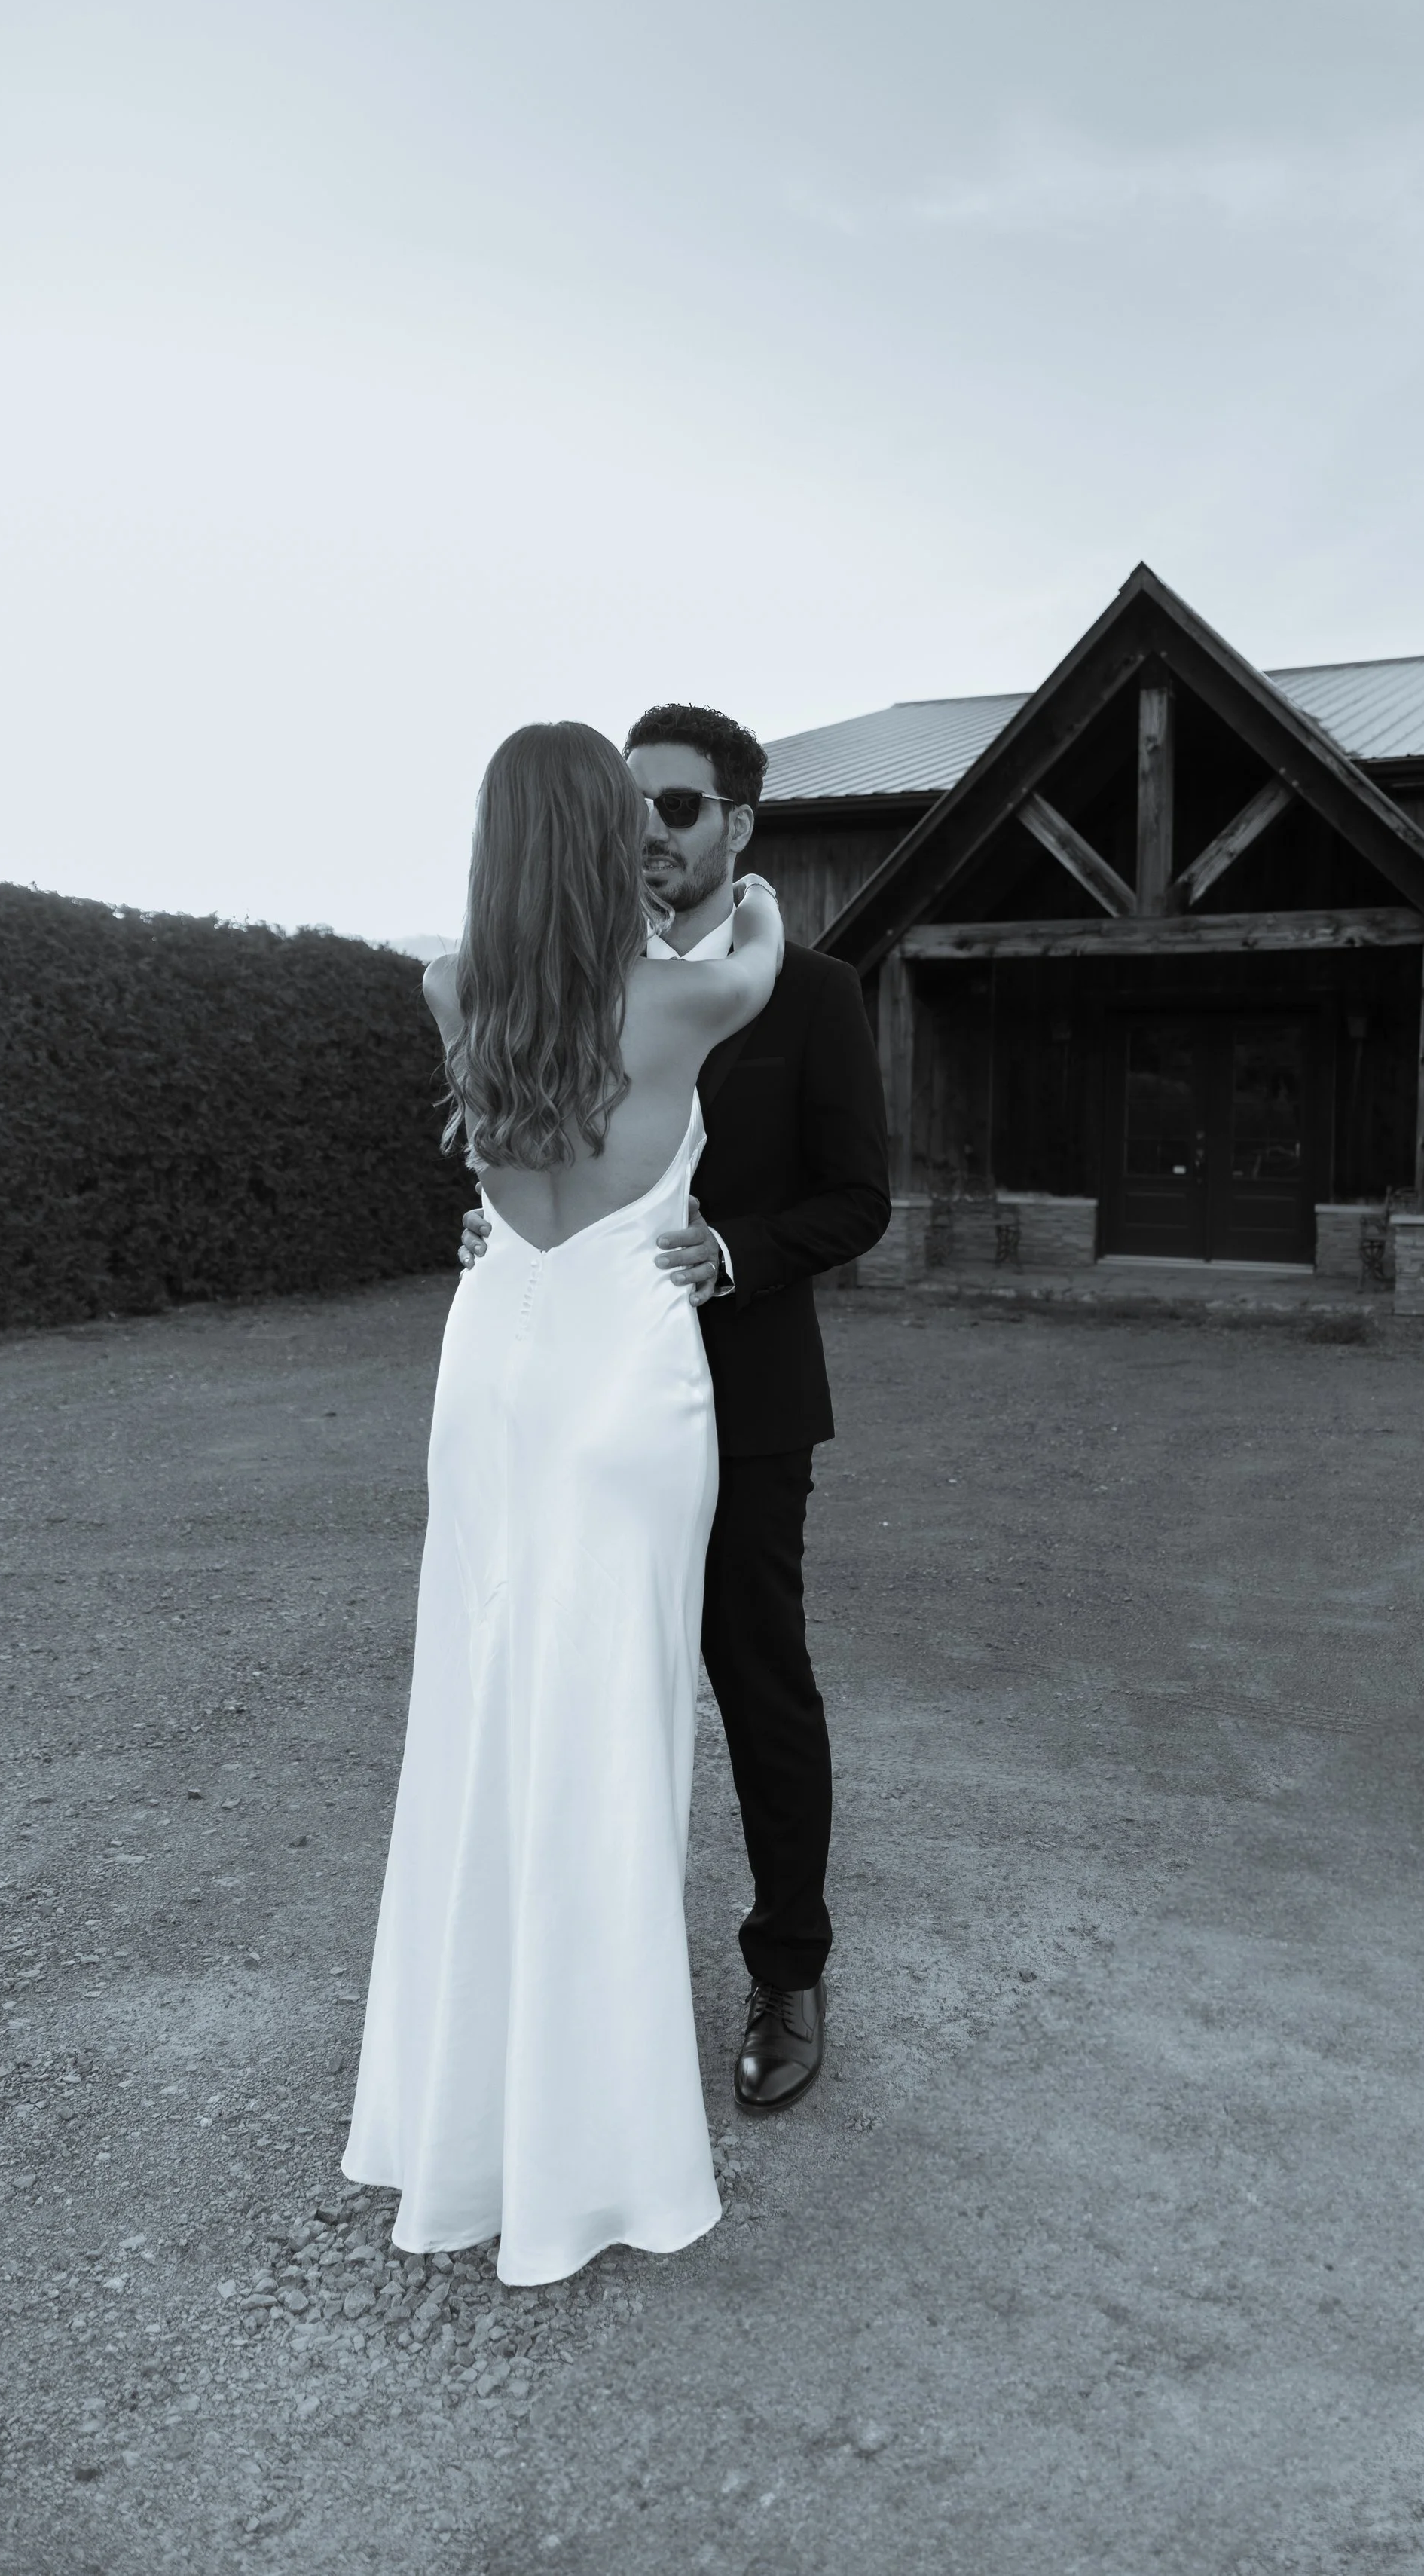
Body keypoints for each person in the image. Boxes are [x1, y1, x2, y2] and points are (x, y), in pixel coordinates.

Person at [342, 721, 784, 2287]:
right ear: (604, 842)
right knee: (609, 1738)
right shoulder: (680, 998)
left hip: (492, 1372)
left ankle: (463, 2128)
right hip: (622, 1386)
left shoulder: (449, 989)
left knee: (477, 1726)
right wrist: (749, 885)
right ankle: (595, 2149)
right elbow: (757, 941)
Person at [457, 703, 891, 2116]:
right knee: (575, 1684)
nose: (651, 829)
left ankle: (789, 1972)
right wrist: (509, 1242)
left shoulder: (811, 993)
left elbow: (860, 1198)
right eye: (632, 803)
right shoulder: (572, 980)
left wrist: (735, 1253)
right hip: (584, 1397)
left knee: (759, 1685)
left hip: (744, 1395)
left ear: (738, 825)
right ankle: (576, 1994)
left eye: (682, 807)